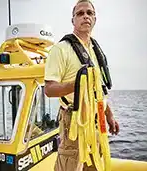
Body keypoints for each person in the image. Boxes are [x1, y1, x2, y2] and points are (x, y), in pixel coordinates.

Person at [44, 0, 120, 170]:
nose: (85, 16)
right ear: (73, 20)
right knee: (70, 164)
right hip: (73, 119)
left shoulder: (95, 51)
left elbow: (98, 89)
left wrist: (109, 116)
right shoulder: (60, 49)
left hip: (96, 118)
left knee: (95, 164)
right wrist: (79, 84)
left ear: (95, 19)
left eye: (89, 13)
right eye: (80, 13)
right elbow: (49, 89)